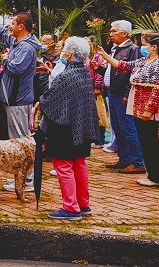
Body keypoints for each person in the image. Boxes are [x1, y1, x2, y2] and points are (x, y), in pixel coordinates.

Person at [0, 4, 41, 192]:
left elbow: (15, 68)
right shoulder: (17, 42)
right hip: (11, 99)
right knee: (17, 140)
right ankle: (21, 176)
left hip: (18, 99)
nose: (9, 27)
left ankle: (28, 179)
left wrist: (4, 59)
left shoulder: (27, 48)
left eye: (12, 23)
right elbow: (1, 34)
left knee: (23, 140)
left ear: (21, 27)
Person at [39, 37, 100, 221]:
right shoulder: (84, 73)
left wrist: (40, 103)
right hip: (82, 125)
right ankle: (83, 204)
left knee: (63, 165)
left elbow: (50, 99)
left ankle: (71, 208)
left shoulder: (65, 76)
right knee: (79, 163)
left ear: (70, 54)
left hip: (65, 126)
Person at [98, 34, 159, 188]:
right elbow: (122, 65)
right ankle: (153, 175)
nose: (143, 47)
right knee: (145, 142)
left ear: (154, 47)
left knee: (150, 143)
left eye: (145, 44)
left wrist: (148, 110)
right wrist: (104, 55)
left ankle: (158, 177)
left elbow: (157, 89)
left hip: (147, 109)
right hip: (137, 106)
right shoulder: (143, 62)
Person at [97, 20, 144, 174]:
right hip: (112, 92)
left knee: (128, 128)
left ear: (124, 33)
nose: (111, 34)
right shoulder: (115, 49)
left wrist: (127, 93)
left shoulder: (132, 49)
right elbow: (112, 72)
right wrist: (98, 69)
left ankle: (137, 162)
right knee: (117, 128)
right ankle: (124, 159)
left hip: (123, 94)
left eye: (114, 31)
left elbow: (135, 73)